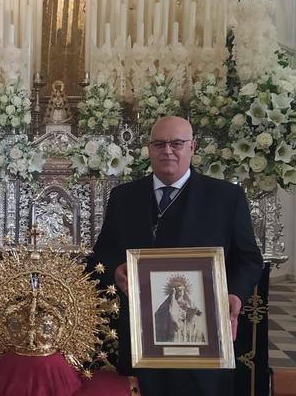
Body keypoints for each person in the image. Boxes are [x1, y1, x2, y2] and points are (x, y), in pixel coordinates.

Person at [91, 116, 264, 396]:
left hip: (202, 335)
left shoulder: (226, 198)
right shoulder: (123, 197)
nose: (167, 150)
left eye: (177, 143)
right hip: (141, 333)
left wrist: (234, 295)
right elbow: (102, 254)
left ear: (193, 147)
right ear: (149, 148)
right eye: (159, 143)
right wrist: (115, 270)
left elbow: (249, 259)